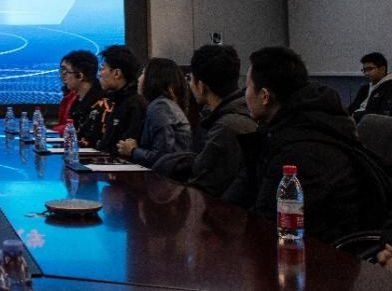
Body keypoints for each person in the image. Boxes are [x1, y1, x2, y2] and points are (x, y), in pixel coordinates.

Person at [226, 46, 392, 243]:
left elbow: (268, 226)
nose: (244, 95)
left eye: (247, 87)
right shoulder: (294, 127)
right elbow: (241, 193)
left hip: (324, 253)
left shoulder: (300, 149)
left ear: (265, 96)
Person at [178, 44, 257, 196]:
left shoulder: (224, 128)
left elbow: (201, 183)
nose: (189, 84)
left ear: (201, 86)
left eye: (191, 78)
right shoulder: (245, 113)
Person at [116, 58, 192, 166]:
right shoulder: (164, 105)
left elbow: (163, 157)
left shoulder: (160, 107)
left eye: (143, 73)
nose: (139, 79)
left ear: (153, 79)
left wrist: (133, 151)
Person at [96, 45, 146, 153]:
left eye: (102, 68)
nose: (99, 73)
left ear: (117, 73)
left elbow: (123, 149)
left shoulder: (134, 105)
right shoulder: (118, 101)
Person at [52, 50, 105, 135]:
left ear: (80, 76)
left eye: (66, 72)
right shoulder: (76, 101)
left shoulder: (101, 104)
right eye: (61, 70)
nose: (62, 76)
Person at [348, 52, 392, 122]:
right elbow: (352, 108)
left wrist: (356, 116)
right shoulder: (365, 88)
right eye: (364, 70)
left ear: (382, 69)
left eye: (370, 69)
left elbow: (383, 114)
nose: (366, 73)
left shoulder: (389, 87)